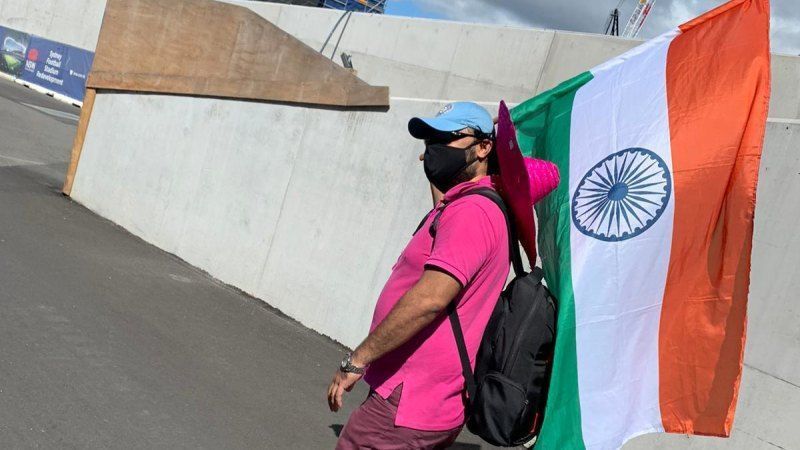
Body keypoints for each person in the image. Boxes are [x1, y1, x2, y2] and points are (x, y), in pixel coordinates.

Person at [327, 102, 511, 449]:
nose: (434, 149)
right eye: (429, 141)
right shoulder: (465, 205)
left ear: (484, 147)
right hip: (421, 400)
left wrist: (357, 360)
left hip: (409, 401)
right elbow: (443, 207)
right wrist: (435, 168)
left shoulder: (471, 213)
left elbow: (429, 300)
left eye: (445, 139)